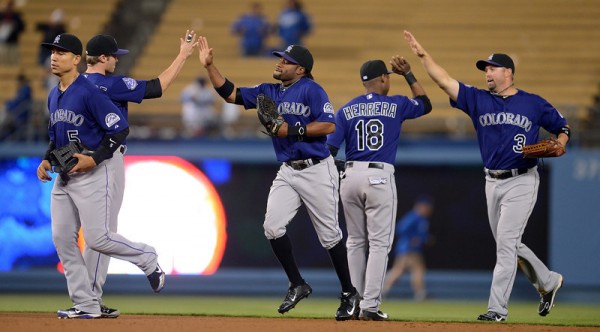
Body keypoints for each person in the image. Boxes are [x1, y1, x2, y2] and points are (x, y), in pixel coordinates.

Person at [403, 30, 569, 322]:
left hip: (522, 178)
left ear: (508, 72)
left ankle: (497, 310)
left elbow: (563, 128)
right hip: (491, 181)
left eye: (492, 68)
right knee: (510, 244)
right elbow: (443, 80)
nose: (487, 73)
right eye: (485, 69)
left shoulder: (533, 103)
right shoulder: (478, 99)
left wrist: (561, 145)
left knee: (506, 245)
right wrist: (422, 55)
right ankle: (548, 281)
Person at [197, 36, 359, 320]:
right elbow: (230, 94)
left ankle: (349, 293)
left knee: (330, 236)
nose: (280, 63)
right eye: (280, 58)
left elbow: (329, 124)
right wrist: (210, 66)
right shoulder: (267, 91)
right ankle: (297, 283)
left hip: (317, 169)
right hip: (288, 170)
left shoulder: (312, 89)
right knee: (272, 227)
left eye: (287, 61)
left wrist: (292, 130)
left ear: (301, 69)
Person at [35, 33, 165, 319]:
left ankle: (147, 257)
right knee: (61, 238)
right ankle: (86, 303)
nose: (54, 56)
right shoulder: (54, 93)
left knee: (98, 238)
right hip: (64, 174)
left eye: (61, 52)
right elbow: (56, 136)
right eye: (52, 51)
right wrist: (46, 158)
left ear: (77, 59)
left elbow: (119, 129)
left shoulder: (90, 91)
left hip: (93, 171)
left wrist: (94, 159)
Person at [82, 31, 197, 318]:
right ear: (104, 58)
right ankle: (144, 259)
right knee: (101, 233)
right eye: (114, 57)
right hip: (105, 160)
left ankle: (90, 299)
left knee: (87, 235)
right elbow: (157, 87)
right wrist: (183, 55)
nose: (117, 62)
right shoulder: (112, 84)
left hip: (76, 162)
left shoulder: (72, 86)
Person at [327, 58, 432, 320]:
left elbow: (328, 151)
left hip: (350, 175)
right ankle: (369, 306)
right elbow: (425, 104)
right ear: (384, 79)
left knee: (354, 242)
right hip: (378, 176)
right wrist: (408, 74)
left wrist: (343, 168)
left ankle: (353, 303)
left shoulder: (347, 109)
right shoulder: (396, 103)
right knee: (379, 244)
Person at [382, 195, 434, 302]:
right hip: (408, 249)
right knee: (414, 270)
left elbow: (419, 234)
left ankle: (382, 290)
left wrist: (425, 238)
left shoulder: (421, 218)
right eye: (427, 207)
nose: (429, 210)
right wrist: (413, 238)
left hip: (412, 249)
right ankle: (420, 293)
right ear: (421, 206)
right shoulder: (414, 216)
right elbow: (401, 228)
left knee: (400, 270)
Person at [0, 73, 32, 141]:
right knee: (4, 113)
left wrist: (8, 105)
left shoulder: (25, 89)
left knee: (4, 113)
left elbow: (20, 102)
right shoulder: (22, 90)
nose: (17, 84)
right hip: (17, 112)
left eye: (18, 82)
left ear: (21, 81)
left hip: (21, 114)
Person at [0, 0, 25, 65]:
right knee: (3, 61)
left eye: (10, 6)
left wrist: (15, 25)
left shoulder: (16, 16)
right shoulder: (1, 15)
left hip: (13, 42)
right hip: (2, 42)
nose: (8, 8)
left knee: (14, 61)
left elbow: (22, 28)